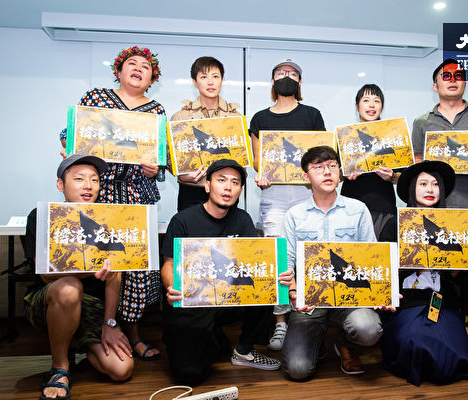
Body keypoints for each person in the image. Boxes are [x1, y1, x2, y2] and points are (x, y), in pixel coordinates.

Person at [60, 46, 166, 361]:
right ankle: (90, 334)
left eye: (145, 66)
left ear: (152, 79)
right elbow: (69, 135)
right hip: (100, 192)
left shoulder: (156, 110)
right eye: (132, 63)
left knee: (134, 267)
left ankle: (132, 335)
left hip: (136, 196)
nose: (138, 68)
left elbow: (161, 159)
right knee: (98, 263)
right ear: (118, 71)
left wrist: (155, 168)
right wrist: (72, 151)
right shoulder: (96, 97)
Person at [411, 58, 468, 348]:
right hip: (436, 206)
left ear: (464, 82)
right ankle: (443, 320)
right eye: (446, 76)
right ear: (435, 85)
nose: (453, 80)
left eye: (458, 76)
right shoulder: (422, 121)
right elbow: (416, 160)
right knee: (438, 263)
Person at [161, 159, 280, 385]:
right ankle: (213, 337)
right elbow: (169, 263)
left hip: (228, 296)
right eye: (221, 180)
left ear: (240, 191)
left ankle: (244, 350)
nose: (228, 187)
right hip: (194, 301)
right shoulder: (182, 220)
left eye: (235, 182)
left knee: (268, 283)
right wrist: (171, 287)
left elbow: (253, 262)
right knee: (189, 375)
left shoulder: (242, 219)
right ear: (207, 185)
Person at [23, 155, 134, 400]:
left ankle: (79, 342)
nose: (88, 186)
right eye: (79, 179)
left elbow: (116, 274)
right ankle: (60, 368)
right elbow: (45, 275)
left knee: (121, 369)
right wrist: (89, 270)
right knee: (70, 288)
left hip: (91, 305)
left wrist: (109, 324)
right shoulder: (43, 216)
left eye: (94, 180)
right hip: (50, 298)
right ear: (60, 185)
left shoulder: (108, 218)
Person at [381, 160, 468, 386]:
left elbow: (451, 276)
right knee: (418, 342)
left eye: (435, 184)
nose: (430, 189)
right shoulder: (395, 223)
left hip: (441, 300)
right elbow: (385, 270)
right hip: (408, 302)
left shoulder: (454, 224)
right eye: (423, 184)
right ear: (412, 189)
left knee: (451, 354)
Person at [280, 146, 384, 379]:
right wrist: (294, 290)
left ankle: (345, 344)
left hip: (351, 297)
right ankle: (316, 341)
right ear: (306, 177)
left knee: (368, 330)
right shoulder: (295, 214)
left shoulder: (358, 209)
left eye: (332, 166)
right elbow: (287, 262)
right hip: (310, 302)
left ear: (339, 172)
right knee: (298, 370)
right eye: (318, 167)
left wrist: (382, 290)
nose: (327, 172)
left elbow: (373, 256)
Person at [249, 59, 326, 350]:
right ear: (272, 81)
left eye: (292, 74)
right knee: (279, 258)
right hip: (275, 195)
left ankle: (309, 318)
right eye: (281, 73)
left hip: (307, 193)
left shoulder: (312, 114)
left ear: (300, 82)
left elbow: (320, 157)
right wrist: (261, 174)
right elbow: (258, 160)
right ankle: (280, 322)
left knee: (309, 254)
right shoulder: (260, 118)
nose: (287, 77)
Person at [170, 56, 242, 211]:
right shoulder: (180, 118)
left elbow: (241, 159)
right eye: (204, 77)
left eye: (215, 76)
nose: (210, 82)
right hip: (191, 190)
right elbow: (170, 157)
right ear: (195, 82)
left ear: (222, 81)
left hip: (225, 192)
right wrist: (181, 174)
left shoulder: (235, 118)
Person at [340, 84, 399, 241]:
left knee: (381, 252)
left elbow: (405, 177)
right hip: (350, 205)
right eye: (366, 100)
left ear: (382, 107)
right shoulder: (346, 137)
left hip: (383, 205)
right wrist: (345, 174)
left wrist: (392, 176)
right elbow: (335, 173)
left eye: (376, 101)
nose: (371, 105)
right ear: (357, 106)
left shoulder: (392, 136)